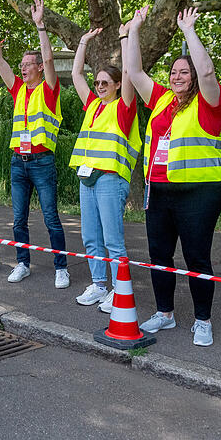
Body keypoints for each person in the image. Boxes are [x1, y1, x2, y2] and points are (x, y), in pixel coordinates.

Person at [123, 6, 221, 347]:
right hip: (161, 189)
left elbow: (209, 72)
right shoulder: (163, 100)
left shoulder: (208, 103)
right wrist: (135, 30)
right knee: (159, 253)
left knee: (196, 256)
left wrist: (188, 31)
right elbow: (134, 70)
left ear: (194, 77)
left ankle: (203, 320)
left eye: (184, 72)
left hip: (201, 190)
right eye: (173, 71)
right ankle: (165, 313)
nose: (177, 76)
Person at [0, 0, 69, 288]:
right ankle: (23, 263)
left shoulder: (48, 88)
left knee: (51, 218)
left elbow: (48, 58)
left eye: (27, 64)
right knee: (18, 220)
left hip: (43, 162)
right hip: (17, 163)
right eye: (21, 64)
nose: (22, 67)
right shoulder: (18, 89)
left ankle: (61, 267)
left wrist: (41, 26)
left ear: (37, 67)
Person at [68, 23, 140, 313]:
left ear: (117, 85)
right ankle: (99, 285)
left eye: (104, 83)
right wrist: (83, 43)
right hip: (87, 178)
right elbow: (75, 75)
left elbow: (129, 73)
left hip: (111, 179)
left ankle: (118, 290)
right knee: (91, 237)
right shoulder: (92, 105)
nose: (99, 87)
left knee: (113, 240)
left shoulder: (123, 107)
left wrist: (124, 38)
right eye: (97, 83)